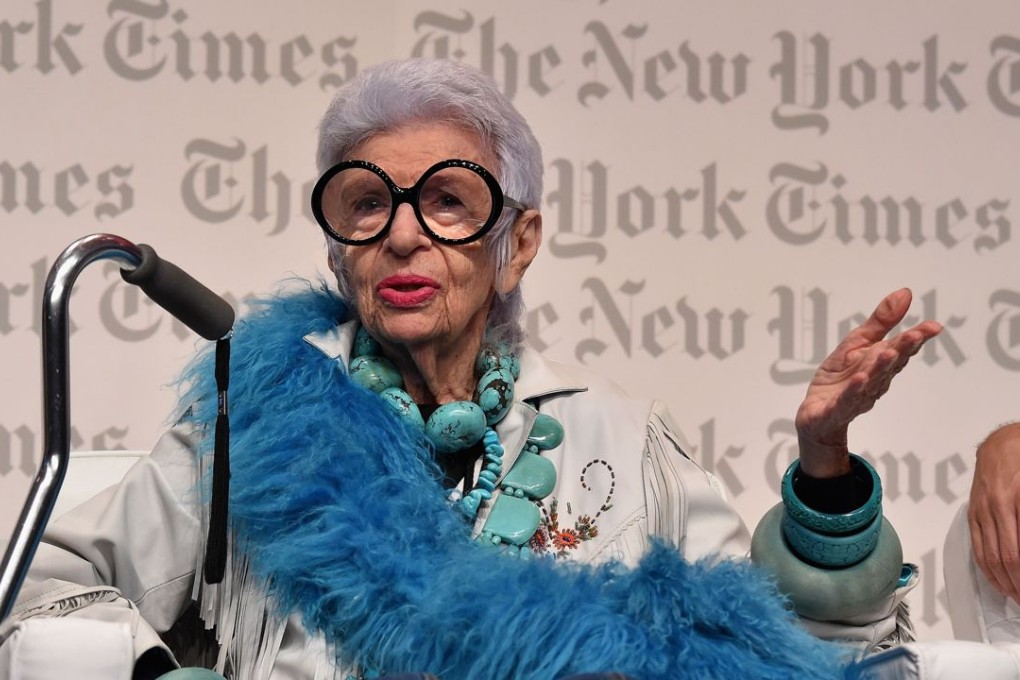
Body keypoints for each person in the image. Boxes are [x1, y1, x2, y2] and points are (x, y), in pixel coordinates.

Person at [0, 58, 942, 680]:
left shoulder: (622, 439)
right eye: (367, 203)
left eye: (448, 201)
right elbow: (42, 583)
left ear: (518, 243)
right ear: (339, 251)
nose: (402, 232)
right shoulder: (256, 423)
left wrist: (823, 465)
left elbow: (781, 653)